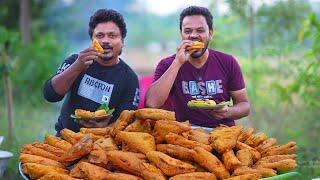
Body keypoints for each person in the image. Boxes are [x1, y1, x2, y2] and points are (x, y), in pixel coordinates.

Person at [145, 6, 250, 128]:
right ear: (181, 35)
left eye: (200, 30)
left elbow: (244, 106)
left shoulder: (227, 62)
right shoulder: (168, 64)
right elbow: (152, 103)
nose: (193, 35)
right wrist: (177, 63)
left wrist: (228, 112)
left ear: (210, 33)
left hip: (222, 133)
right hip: (186, 135)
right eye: (188, 31)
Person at [43, 9, 139, 134]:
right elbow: (50, 95)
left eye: (112, 35)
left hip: (104, 144)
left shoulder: (129, 78)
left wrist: (103, 129)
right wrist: (77, 66)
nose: (105, 40)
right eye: (99, 35)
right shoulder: (76, 61)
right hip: (65, 138)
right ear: (92, 40)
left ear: (122, 42)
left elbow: (126, 121)